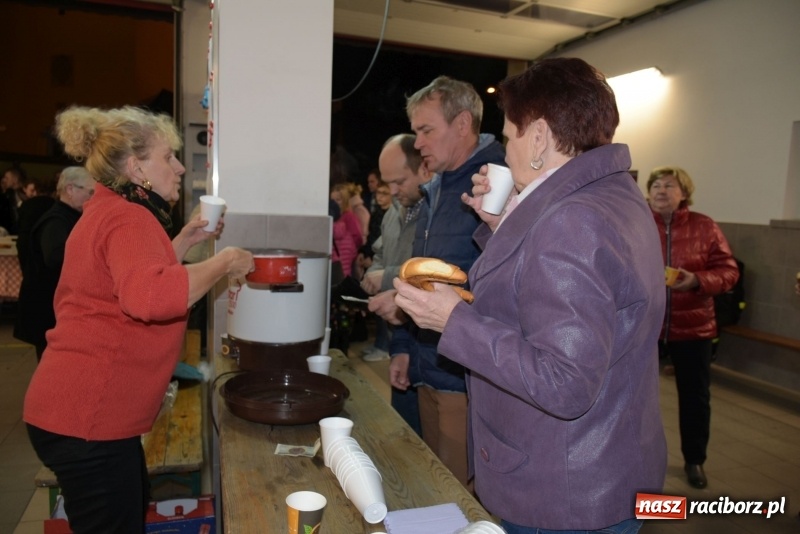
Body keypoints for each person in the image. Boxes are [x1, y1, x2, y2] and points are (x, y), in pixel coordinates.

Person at [391, 58, 667, 533]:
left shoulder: (572, 219)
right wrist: (504, 226)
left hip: (563, 490)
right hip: (603, 463)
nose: (506, 148)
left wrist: (453, 321)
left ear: (538, 137)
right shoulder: (613, 195)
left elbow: (564, 381)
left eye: (511, 134)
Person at [23, 105, 254, 534]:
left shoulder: (108, 210)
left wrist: (183, 240)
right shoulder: (129, 218)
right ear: (135, 167)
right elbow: (150, 297)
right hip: (90, 420)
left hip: (74, 412)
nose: (181, 168)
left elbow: (131, 280)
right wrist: (224, 261)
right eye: (168, 157)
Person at [369, 76, 505, 489]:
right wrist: (406, 347)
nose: (419, 143)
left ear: (462, 124)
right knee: (434, 486)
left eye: (426, 130)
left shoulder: (495, 181)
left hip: (466, 378)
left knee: (461, 495)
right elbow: (423, 271)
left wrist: (405, 301)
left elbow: (491, 285)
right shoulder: (438, 187)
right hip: (430, 365)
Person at [647, 165, 739, 490]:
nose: (660, 190)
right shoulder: (638, 223)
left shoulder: (705, 227)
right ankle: (641, 461)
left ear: (683, 193)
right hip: (647, 327)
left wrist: (697, 280)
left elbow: (728, 271)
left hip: (694, 328)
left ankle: (694, 460)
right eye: (655, 185)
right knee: (639, 397)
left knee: (695, 398)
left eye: (668, 185)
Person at [360, 134, 431, 429]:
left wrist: (387, 276)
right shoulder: (394, 212)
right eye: (387, 182)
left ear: (424, 170)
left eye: (399, 182)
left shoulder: (435, 213)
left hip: (429, 343)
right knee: (404, 431)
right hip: (399, 337)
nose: (392, 190)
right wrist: (372, 275)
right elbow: (379, 251)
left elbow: (437, 270)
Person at [14, 167, 96, 360]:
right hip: (46, 312)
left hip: (53, 309)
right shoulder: (56, 220)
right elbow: (55, 257)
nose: (92, 197)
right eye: (90, 192)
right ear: (70, 189)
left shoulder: (69, 216)